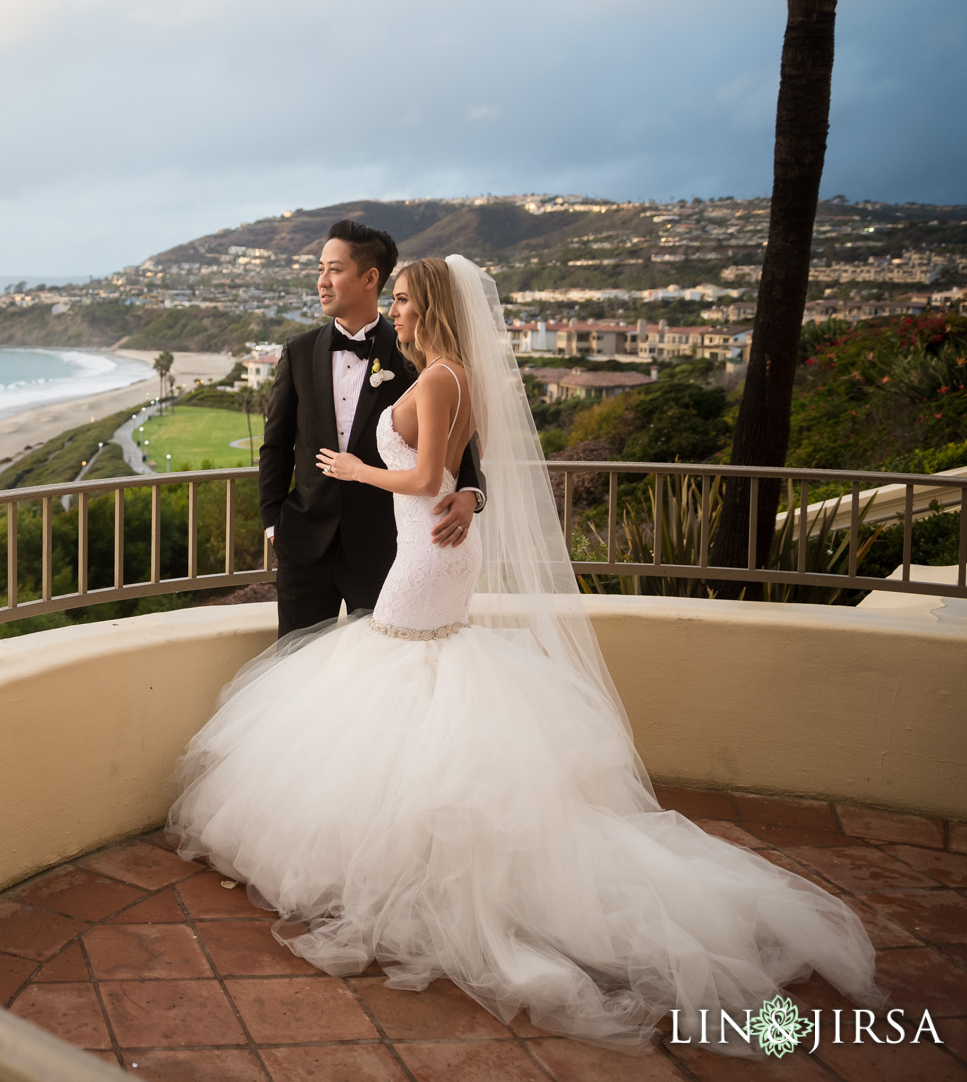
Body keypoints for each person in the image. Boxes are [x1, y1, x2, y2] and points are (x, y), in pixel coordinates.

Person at [169, 255, 878, 1052]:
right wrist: (466, 495)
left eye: (403, 300)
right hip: (437, 552)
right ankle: (416, 860)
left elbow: (432, 474)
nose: (395, 313)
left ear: (429, 305)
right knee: (414, 681)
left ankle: (412, 873)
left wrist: (358, 468)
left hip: (425, 561)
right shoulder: (454, 376)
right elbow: (457, 479)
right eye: (393, 300)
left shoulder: (438, 380)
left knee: (397, 671)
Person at [259, 220, 483, 638]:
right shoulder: (299, 350)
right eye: (320, 269)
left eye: (334, 270)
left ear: (370, 278)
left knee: (383, 678)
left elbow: (458, 431)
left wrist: (471, 492)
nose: (322, 282)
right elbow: (275, 444)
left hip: (389, 546)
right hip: (305, 547)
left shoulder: (412, 351)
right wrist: (274, 523)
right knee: (295, 670)